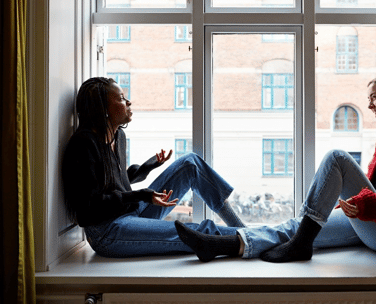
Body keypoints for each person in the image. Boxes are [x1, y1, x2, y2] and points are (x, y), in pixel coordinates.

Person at [175, 74, 376, 268]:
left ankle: (300, 244)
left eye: (374, 97)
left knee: (337, 158)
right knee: (298, 226)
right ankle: (219, 246)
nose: (369, 105)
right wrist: (355, 205)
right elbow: (372, 192)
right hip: (375, 224)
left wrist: (361, 203)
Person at [62, 77, 245, 258]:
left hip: (131, 213)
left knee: (190, 163)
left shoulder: (118, 136)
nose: (128, 102)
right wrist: (143, 195)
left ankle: (243, 229)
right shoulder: (83, 144)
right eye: (120, 98)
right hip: (107, 232)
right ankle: (255, 240)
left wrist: (149, 166)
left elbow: (116, 182)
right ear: (102, 109)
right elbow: (87, 211)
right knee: (198, 232)